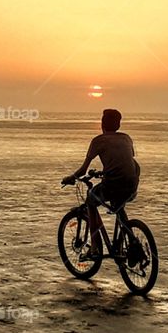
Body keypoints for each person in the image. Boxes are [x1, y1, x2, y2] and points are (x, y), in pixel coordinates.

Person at [61, 108, 140, 259]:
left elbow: (83, 170)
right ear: (118, 124)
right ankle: (131, 241)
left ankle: (95, 247)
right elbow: (125, 162)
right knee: (118, 205)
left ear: (102, 123)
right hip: (131, 185)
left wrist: (70, 178)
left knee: (91, 200)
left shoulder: (98, 141)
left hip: (113, 185)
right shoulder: (126, 138)